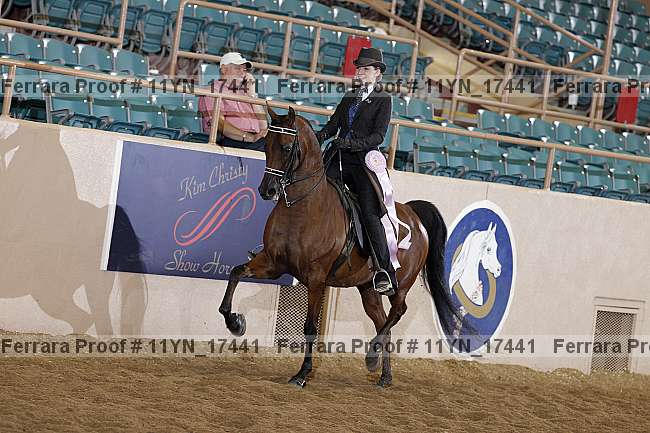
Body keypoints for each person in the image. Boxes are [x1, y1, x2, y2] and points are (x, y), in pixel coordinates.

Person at [315, 47, 396, 295]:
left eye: (366, 69)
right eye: (359, 68)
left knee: (370, 214)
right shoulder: (350, 95)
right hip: (339, 156)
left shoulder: (383, 99)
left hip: (362, 162)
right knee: (313, 194)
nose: (360, 72)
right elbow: (334, 124)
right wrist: (318, 136)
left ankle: (383, 271)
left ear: (377, 73)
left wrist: (352, 144)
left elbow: (378, 136)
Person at [198, 52, 267, 151]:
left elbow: (263, 126)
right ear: (223, 69)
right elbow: (219, 124)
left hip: (254, 140)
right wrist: (249, 137)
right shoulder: (212, 91)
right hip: (230, 140)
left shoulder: (246, 93)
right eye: (237, 68)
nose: (242, 73)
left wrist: (252, 95)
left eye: (244, 70)